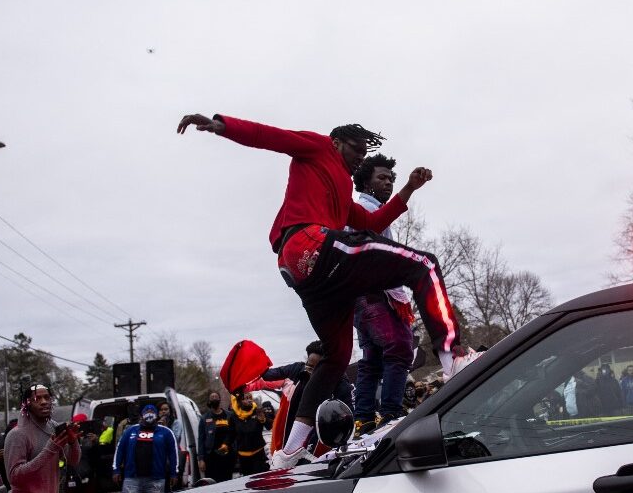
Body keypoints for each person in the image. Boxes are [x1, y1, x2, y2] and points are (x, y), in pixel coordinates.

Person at [178, 113, 474, 469]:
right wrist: (221, 126)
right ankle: (452, 357)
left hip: (306, 276)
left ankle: (288, 452)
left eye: (364, 156)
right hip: (309, 245)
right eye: (356, 151)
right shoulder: (319, 147)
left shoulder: (342, 191)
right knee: (422, 265)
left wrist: (408, 189)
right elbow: (272, 136)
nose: (359, 160)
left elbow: (370, 222)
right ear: (337, 142)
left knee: (336, 355)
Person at [351, 154, 417, 437]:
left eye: (391, 179)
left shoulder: (365, 210)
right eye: (382, 178)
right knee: (400, 347)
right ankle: (390, 414)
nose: (389, 183)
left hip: (361, 297)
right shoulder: (365, 210)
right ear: (366, 181)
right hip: (375, 294)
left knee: (373, 358)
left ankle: (363, 419)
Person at [264, 341, 353, 454]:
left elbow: (348, 416)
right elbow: (269, 374)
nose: (311, 373)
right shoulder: (297, 369)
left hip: (321, 440)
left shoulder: (341, 384)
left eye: (317, 370)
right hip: (293, 431)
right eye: (309, 367)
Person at [113, 404, 178, 493]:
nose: (149, 414)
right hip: (132, 478)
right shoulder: (130, 430)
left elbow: (173, 453)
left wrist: (174, 473)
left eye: (152, 412)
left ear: (156, 415)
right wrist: (116, 469)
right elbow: (120, 450)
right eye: (147, 412)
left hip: (156, 479)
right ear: (142, 415)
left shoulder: (166, 432)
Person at [231, 389, 271, 477]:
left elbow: (269, 426)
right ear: (240, 401)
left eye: (250, 398)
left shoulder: (257, 411)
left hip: (258, 453)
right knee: (248, 481)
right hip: (243, 456)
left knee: (261, 479)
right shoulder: (234, 416)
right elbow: (231, 434)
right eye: (245, 398)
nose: (249, 400)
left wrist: (263, 419)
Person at [197, 391, 235, 482]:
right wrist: (201, 459)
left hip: (227, 456)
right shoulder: (204, 418)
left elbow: (234, 433)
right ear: (209, 401)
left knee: (227, 482)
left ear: (219, 399)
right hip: (211, 457)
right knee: (212, 482)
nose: (214, 398)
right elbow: (201, 439)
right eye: (212, 397)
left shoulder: (229, 415)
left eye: (216, 396)